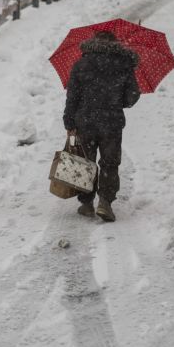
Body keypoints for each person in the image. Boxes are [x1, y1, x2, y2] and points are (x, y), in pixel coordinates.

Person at [63, 30, 140, 222]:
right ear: (115, 44)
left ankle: (87, 203)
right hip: (111, 122)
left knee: (85, 162)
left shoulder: (81, 64)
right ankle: (105, 201)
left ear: (93, 42)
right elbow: (131, 98)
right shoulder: (124, 64)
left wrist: (69, 121)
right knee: (110, 162)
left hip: (85, 121)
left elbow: (72, 96)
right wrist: (117, 98)